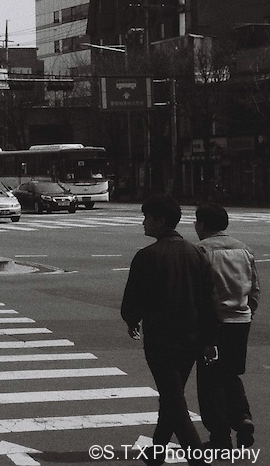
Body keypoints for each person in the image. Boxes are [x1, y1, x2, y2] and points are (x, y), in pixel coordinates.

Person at [121, 194, 221, 466]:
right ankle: (156, 453)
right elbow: (209, 300)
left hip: (160, 338)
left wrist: (132, 320)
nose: (143, 222)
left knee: (174, 400)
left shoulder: (147, 256)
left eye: (147, 217)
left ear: (161, 221)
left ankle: (196, 458)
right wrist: (210, 339)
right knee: (172, 395)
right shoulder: (196, 254)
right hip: (192, 337)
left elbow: (133, 299)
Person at [194, 203, 259, 449]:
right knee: (230, 373)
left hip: (213, 323)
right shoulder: (244, 249)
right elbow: (254, 289)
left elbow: (198, 293)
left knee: (209, 380)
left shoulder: (201, 250)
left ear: (202, 224)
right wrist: (246, 310)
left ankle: (220, 436)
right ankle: (242, 417)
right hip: (241, 320)